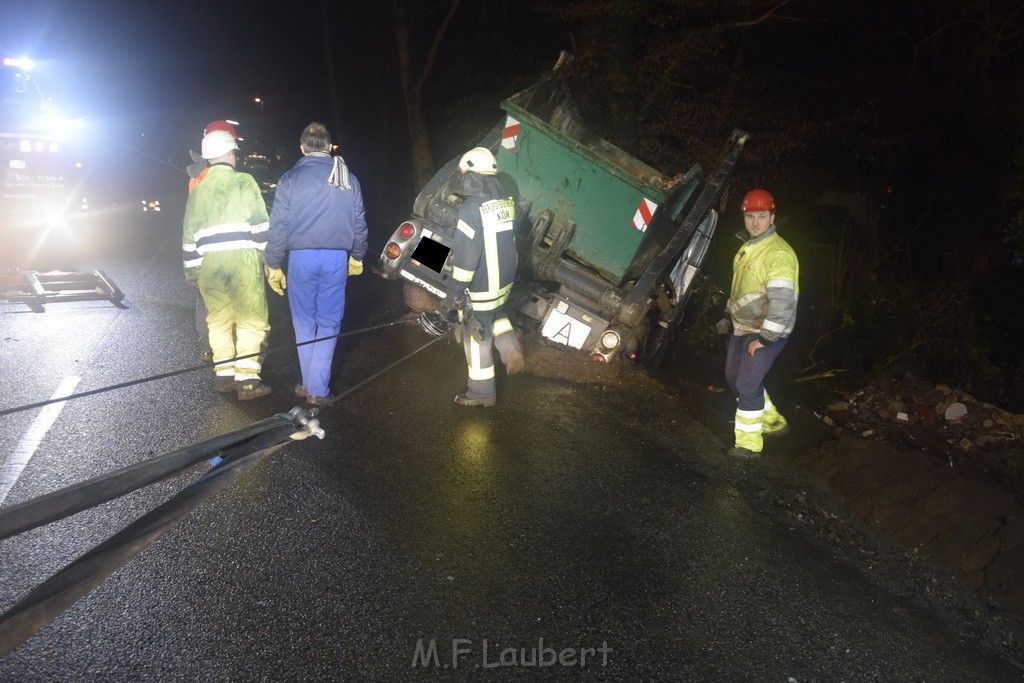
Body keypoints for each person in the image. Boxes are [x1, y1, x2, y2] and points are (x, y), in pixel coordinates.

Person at [264, 122, 368, 406]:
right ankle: (317, 388)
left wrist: (273, 262)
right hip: (336, 258)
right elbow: (359, 222)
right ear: (329, 146)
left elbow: (279, 225)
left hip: (301, 258)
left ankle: (310, 385)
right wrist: (357, 256)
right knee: (329, 322)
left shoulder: (289, 179)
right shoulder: (349, 179)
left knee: (303, 322)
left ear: (303, 148)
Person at [183, 129, 272, 400]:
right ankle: (247, 383)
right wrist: (269, 260)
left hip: (210, 267)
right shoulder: (245, 181)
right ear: (230, 155)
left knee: (218, 321)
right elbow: (260, 225)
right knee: (250, 322)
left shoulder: (197, 190)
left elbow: (189, 237)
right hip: (242, 264)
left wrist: (193, 271)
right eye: (234, 153)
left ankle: (223, 377)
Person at [717, 188, 799, 458]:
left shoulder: (778, 254)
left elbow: (783, 303)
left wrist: (764, 339)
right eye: (750, 216)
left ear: (772, 216)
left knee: (748, 384)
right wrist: (727, 316)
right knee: (733, 376)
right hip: (743, 327)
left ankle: (749, 445)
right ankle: (770, 419)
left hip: (765, 332)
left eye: (761, 216)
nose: (754, 222)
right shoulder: (748, 247)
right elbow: (740, 289)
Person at [445, 146, 524, 407]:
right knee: (496, 315)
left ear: (472, 175)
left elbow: (467, 259)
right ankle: (512, 350)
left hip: (483, 285)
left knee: (475, 333)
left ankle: (481, 393)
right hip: (503, 283)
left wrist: (455, 291)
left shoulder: (470, 210)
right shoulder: (504, 203)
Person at [186, 120, 243, 363]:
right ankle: (233, 357)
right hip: (227, 248)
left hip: (204, 246)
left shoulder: (195, 175)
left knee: (204, 297)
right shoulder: (228, 177)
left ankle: (208, 348)